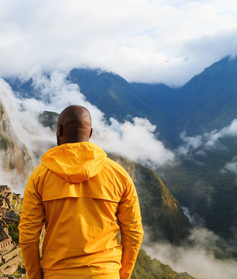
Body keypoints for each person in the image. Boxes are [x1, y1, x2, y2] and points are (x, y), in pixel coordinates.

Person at [19, 105, 144, 279]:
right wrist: (122, 275)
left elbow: (28, 236)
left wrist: (35, 276)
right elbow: (133, 233)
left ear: (59, 131)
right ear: (90, 133)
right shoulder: (118, 175)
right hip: (105, 273)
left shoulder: (40, 176)